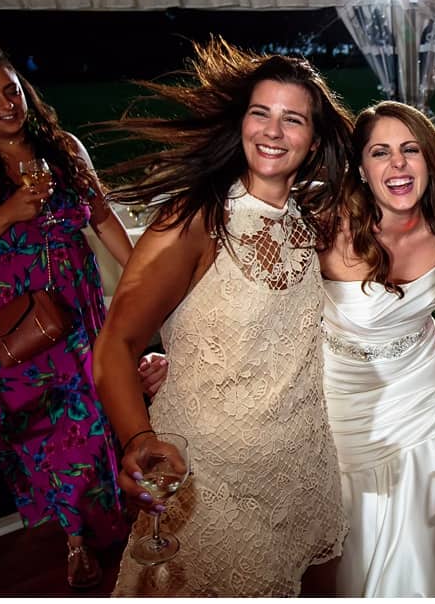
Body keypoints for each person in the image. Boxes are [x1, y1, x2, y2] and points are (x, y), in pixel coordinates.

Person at [92, 37, 352, 596]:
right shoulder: (193, 219)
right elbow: (115, 343)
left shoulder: (310, 216)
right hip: (209, 482)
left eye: (293, 120)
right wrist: (137, 436)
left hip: (302, 471)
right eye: (260, 113)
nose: (273, 132)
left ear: (313, 141)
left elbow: (394, 185)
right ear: (241, 122)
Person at [0, 32, 132, 590]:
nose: (5, 105)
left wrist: (140, 281)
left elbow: (104, 219)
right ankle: (71, 536)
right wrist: (7, 213)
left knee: (90, 423)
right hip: (17, 327)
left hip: (78, 314)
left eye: (10, 91)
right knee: (39, 435)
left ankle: (90, 539)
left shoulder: (61, 148)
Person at [317, 101, 435, 596]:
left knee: (428, 506)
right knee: (361, 516)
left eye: (411, 150)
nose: (397, 164)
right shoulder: (326, 227)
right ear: (360, 169)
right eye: (381, 153)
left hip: (422, 387)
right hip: (347, 400)